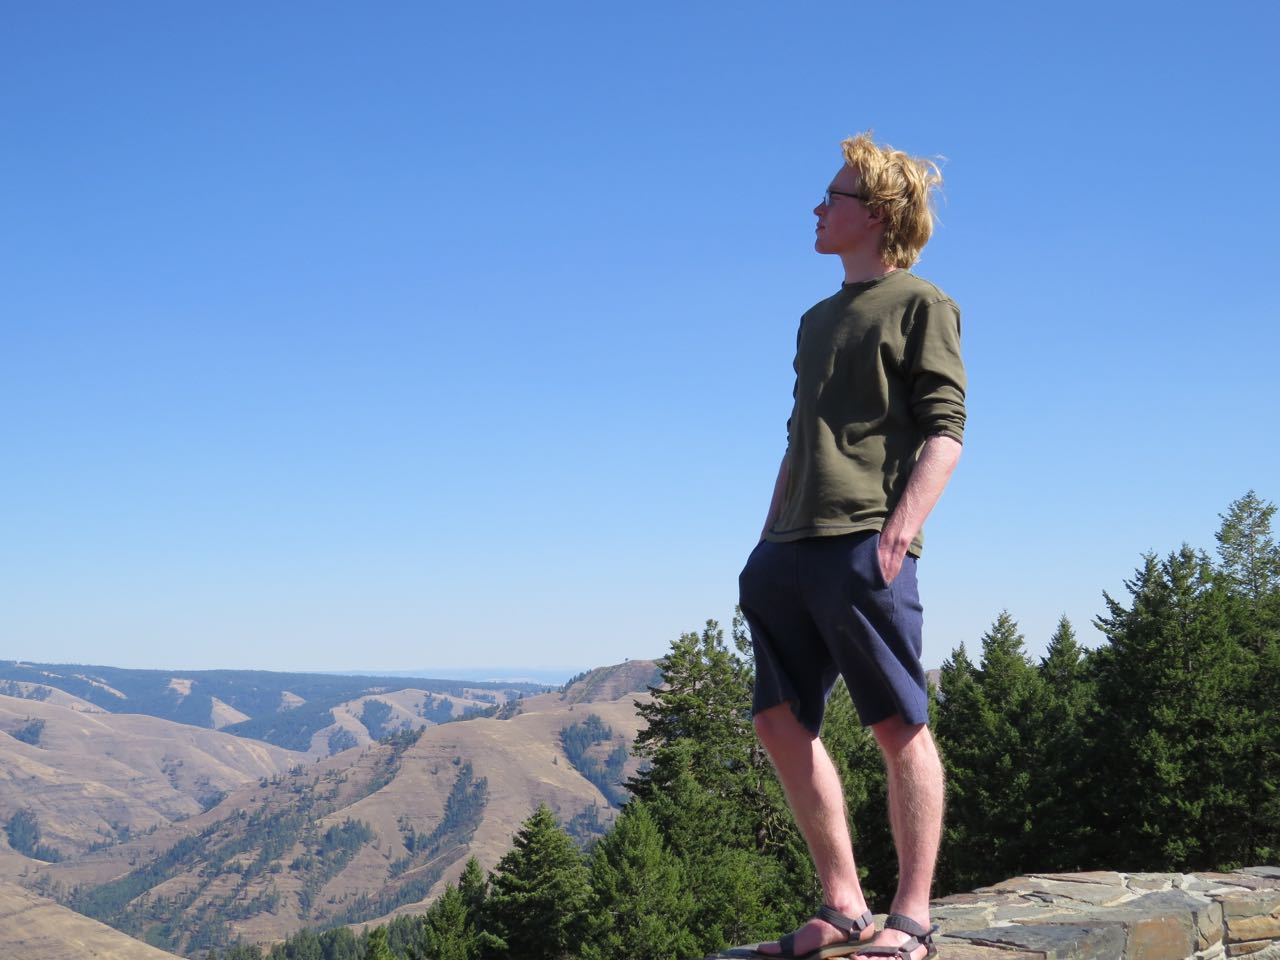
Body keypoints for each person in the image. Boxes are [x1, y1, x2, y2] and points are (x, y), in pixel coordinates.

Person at [737, 132, 966, 960]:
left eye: (831, 196)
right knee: (777, 719)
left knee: (898, 724)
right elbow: (798, 439)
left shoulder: (921, 304)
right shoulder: (814, 320)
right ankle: (843, 906)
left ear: (874, 213)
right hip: (788, 547)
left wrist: (896, 536)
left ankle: (912, 917)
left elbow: (946, 430)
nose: (816, 208)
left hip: (863, 544)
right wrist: (763, 543)